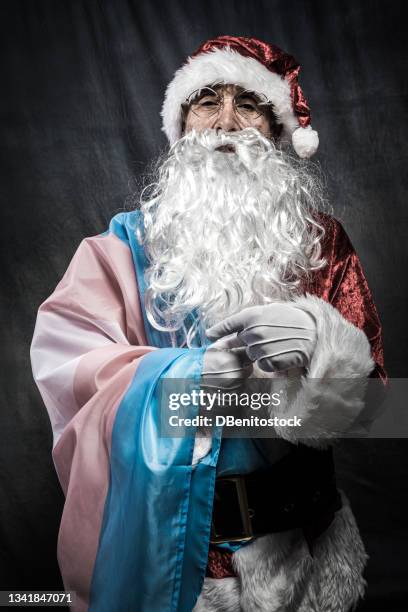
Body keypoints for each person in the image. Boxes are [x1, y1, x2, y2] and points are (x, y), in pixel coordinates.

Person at [31, 35, 386, 612]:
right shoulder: (119, 248)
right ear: (182, 127)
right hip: (176, 561)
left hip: (305, 558)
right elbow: (68, 371)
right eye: (206, 101)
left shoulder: (323, 244)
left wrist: (328, 346)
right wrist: (185, 380)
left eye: (247, 103)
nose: (225, 122)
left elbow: (381, 413)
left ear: (275, 129)